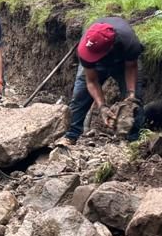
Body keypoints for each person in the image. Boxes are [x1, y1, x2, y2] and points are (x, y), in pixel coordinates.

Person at [59, 16, 144, 145]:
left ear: (110, 47)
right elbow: (91, 81)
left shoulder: (129, 42)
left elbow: (131, 67)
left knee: (135, 98)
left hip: (122, 62)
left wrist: (131, 94)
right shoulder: (85, 49)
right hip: (95, 64)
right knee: (79, 96)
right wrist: (102, 107)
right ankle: (71, 135)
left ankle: (133, 140)